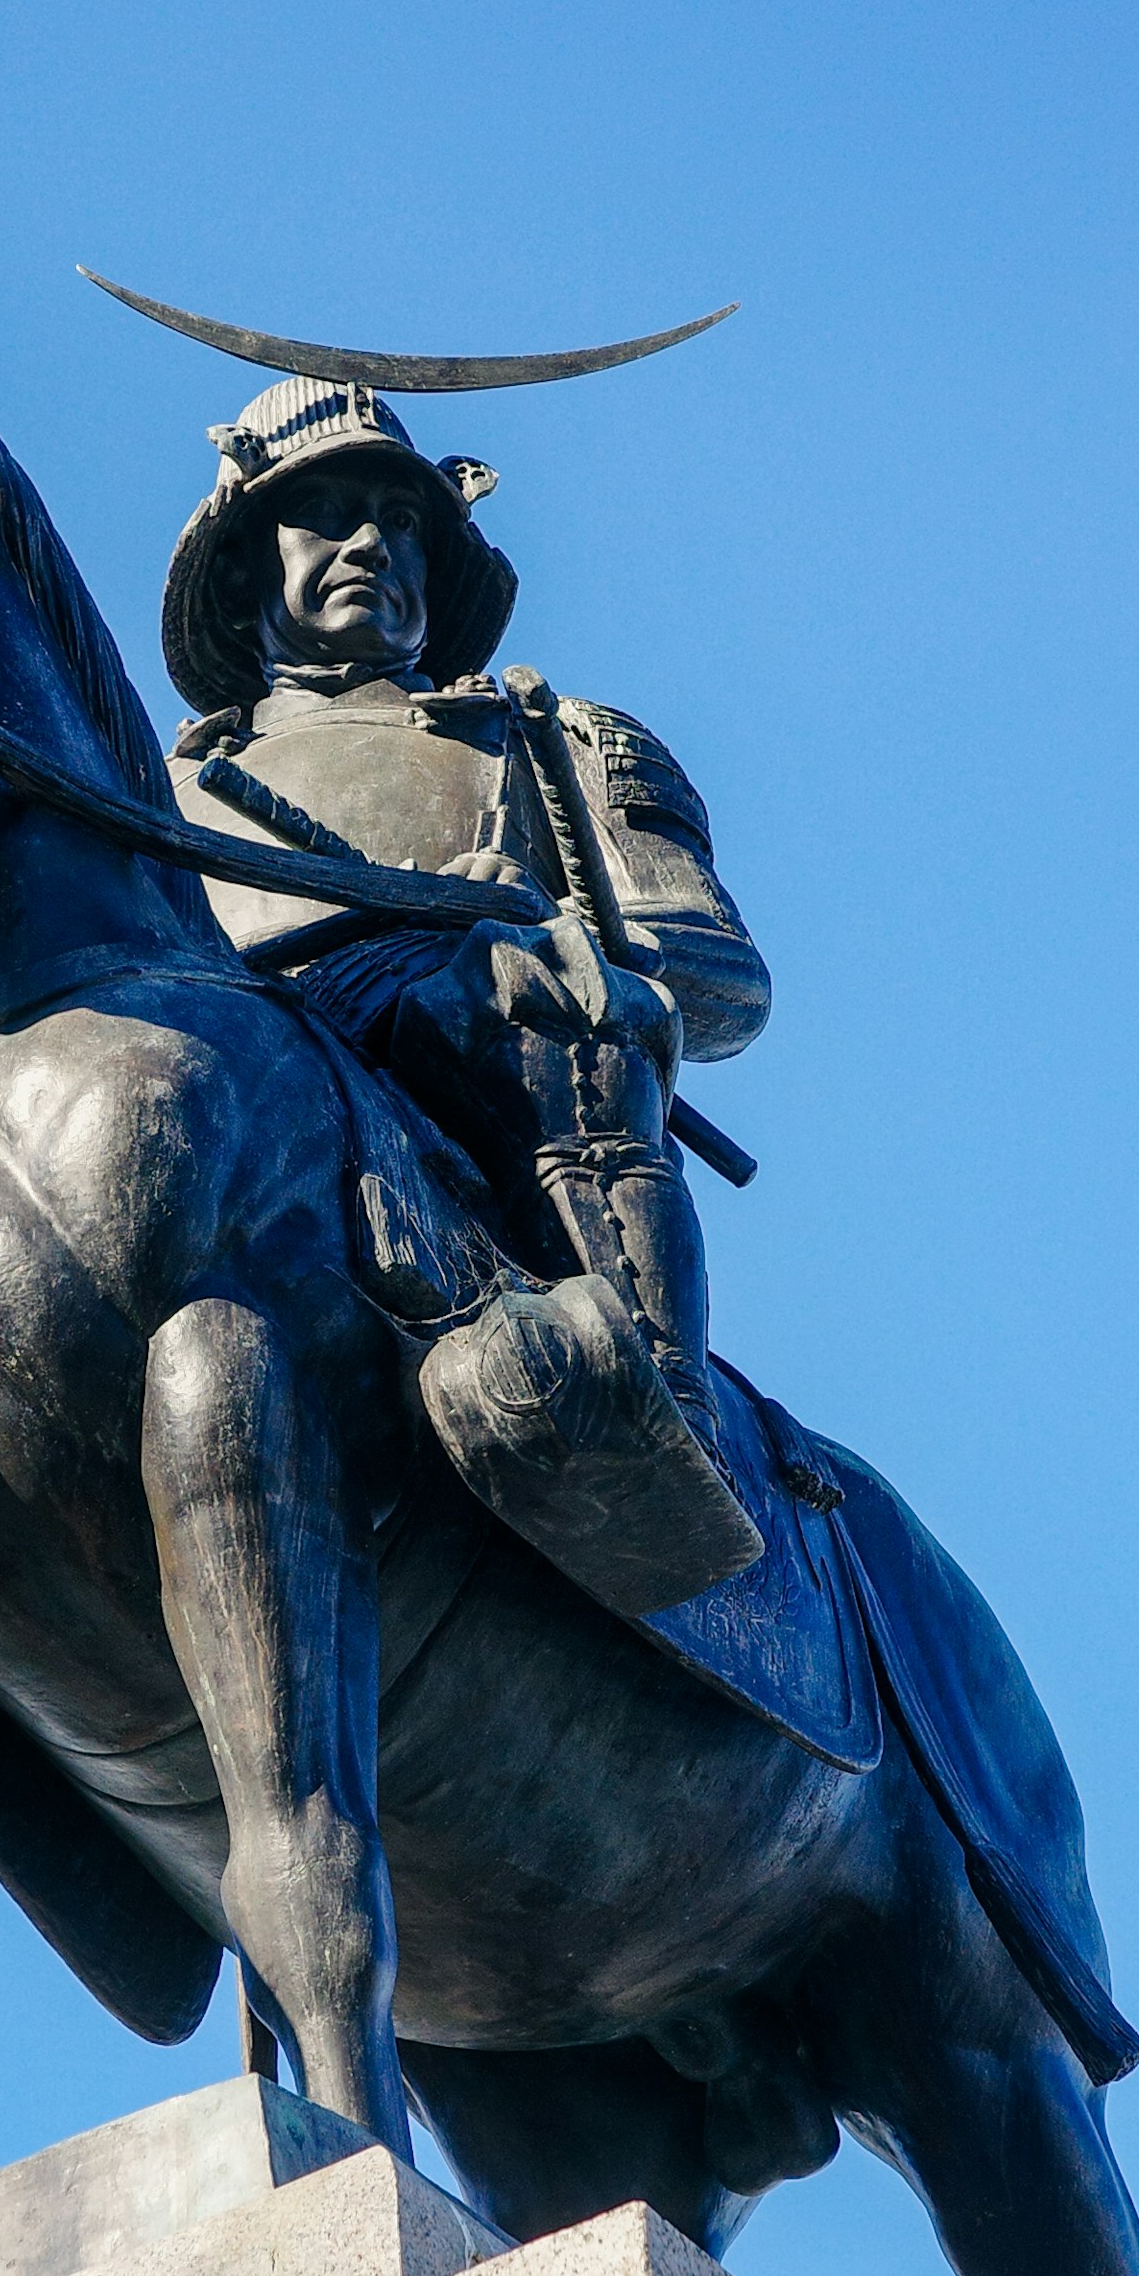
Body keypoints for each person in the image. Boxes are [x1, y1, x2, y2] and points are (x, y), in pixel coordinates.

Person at [159, 374, 766, 1464]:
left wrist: (556, 928)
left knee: (529, 996)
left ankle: (649, 1407)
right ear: (248, 554)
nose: (373, 543)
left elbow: (724, 983)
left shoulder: (543, 738)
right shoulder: (157, 793)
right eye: (331, 510)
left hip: (474, 1075)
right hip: (234, 1111)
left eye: (401, 522)